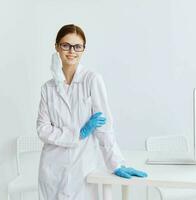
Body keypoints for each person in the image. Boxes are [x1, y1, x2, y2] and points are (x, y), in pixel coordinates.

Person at [36, 24, 148, 200]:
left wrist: (115, 163)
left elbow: (105, 126)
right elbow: (42, 129)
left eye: (77, 46)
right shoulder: (47, 88)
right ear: (57, 46)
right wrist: (78, 133)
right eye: (66, 45)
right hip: (52, 168)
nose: (71, 51)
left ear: (83, 50)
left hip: (83, 165)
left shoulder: (92, 80)